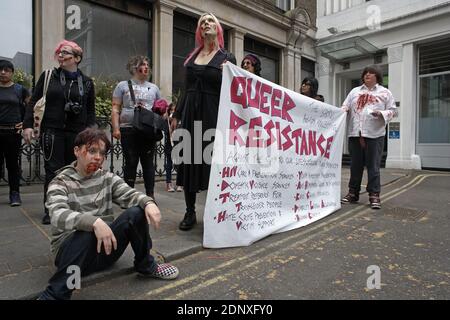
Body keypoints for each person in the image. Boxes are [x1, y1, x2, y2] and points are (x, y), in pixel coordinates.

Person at [37, 128, 178, 300]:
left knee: (137, 211)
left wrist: (148, 202)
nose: (98, 157)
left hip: (106, 250)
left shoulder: (107, 178)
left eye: (102, 153)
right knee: (86, 232)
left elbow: (129, 194)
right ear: (76, 151)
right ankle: (54, 296)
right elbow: (57, 214)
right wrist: (94, 222)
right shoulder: (60, 182)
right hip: (72, 257)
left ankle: (146, 266)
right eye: (92, 151)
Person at [173, 13, 236, 231]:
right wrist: (176, 114)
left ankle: (215, 211)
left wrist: (227, 73)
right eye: (202, 23)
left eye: (210, 21)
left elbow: (235, 90)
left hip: (213, 115)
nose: (205, 24)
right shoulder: (193, 57)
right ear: (199, 31)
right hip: (190, 113)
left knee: (212, 164)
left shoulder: (226, 58)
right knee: (189, 161)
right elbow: (185, 88)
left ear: (218, 28)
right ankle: (190, 212)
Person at [23, 40, 95, 224]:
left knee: (74, 171)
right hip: (52, 131)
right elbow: (33, 102)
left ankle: (70, 206)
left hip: (77, 134)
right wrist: (28, 125)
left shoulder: (86, 83)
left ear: (77, 58)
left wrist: (91, 136)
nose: (60, 56)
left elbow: (90, 112)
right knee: (53, 171)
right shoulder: (48, 76)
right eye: (59, 53)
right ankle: (52, 209)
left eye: (65, 53)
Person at [340, 65, 397, 209]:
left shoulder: (385, 93)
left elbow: (393, 111)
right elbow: (345, 105)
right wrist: (343, 110)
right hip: (355, 133)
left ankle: (374, 195)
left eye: (371, 73)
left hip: (374, 135)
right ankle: (353, 193)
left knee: (373, 166)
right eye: (365, 73)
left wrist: (382, 114)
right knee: (355, 166)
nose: (367, 75)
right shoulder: (354, 91)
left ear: (377, 76)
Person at [111, 55, 161, 200]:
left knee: (148, 163)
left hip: (147, 130)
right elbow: (115, 108)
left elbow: (159, 110)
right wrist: (116, 128)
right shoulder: (122, 85)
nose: (146, 67)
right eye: (142, 64)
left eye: (147, 65)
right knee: (131, 162)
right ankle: (129, 195)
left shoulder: (154, 88)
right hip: (128, 129)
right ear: (134, 67)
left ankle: (150, 196)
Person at [0, 60, 30, 206]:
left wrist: (25, 123)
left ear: (12, 72)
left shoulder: (20, 89)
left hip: (13, 133)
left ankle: (15, 194)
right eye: (0, 70)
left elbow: (32, 108)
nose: (3, 72)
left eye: (6, 70)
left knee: (12, 165)